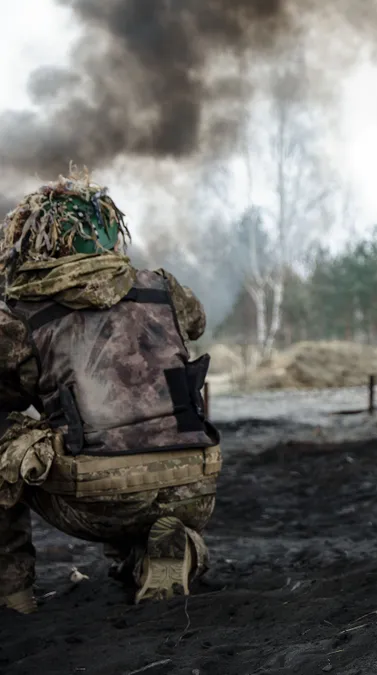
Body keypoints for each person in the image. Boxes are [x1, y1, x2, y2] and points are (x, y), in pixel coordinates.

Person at [0, 170, 221, 614]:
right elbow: (194, 322)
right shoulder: (163, 287)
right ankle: (166, 552)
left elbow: (11, 392)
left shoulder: (22, 314)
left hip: (99, 494)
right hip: (194, 481)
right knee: (130, 466)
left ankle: (13, 593)